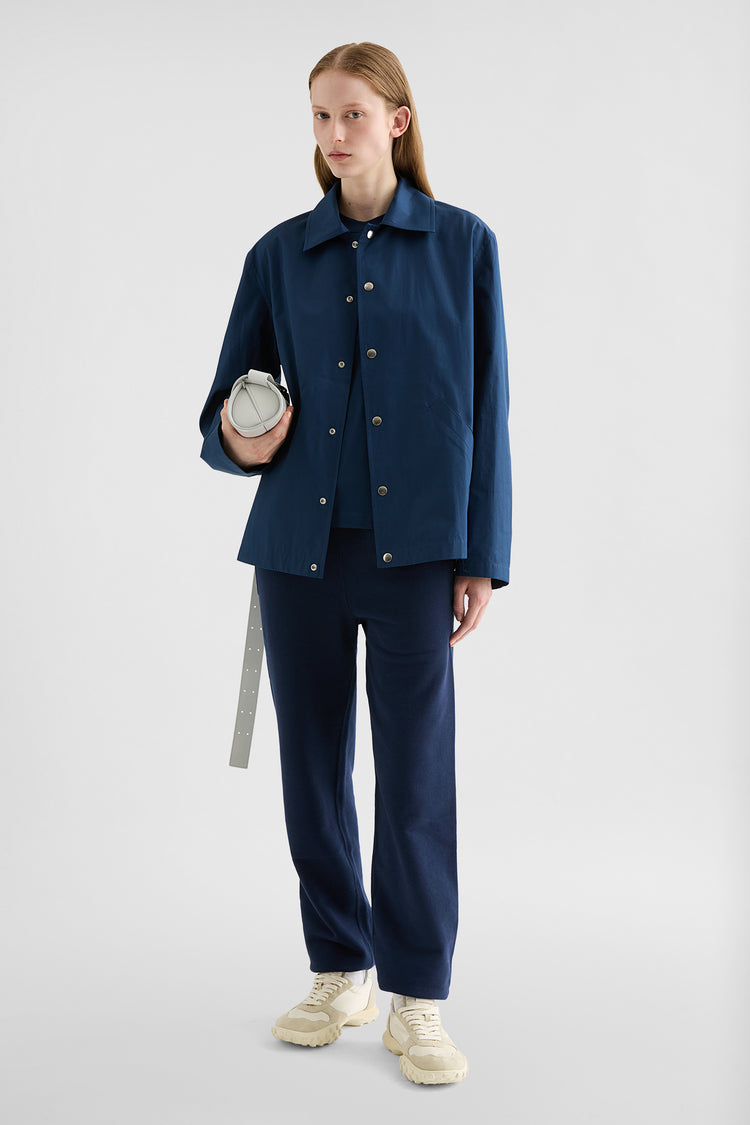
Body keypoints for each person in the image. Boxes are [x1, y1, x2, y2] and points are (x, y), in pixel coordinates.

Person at [198, 41, 512, 1086]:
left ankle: (418, 996)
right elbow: (223, 412)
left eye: (353, 115)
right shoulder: (278, 255)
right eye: (321, 118)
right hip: (298, 554)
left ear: (397, 120)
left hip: (419, 555)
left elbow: (488, 411)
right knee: (312, 770)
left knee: (416, 774)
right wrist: (241, 437)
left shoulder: (464, 245)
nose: (334, 136)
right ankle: (340, 968)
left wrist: (482, 557)